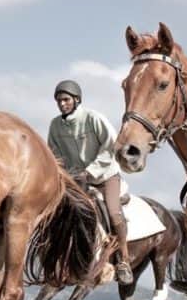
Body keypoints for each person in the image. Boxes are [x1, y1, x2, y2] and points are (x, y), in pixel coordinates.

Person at [47, 80, 134, 284]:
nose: (62, 104)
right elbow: (54, 154)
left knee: (113, 213)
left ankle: (124, 260)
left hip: (105, 176)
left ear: (77, 100)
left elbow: (110, 145)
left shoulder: (93, 118)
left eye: (66, 100)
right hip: (76, 180)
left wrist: (90, 171)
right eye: (59, 101)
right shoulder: (55, 125)